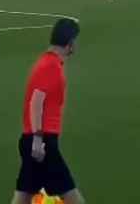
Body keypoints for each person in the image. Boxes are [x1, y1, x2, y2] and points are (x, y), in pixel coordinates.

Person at [11, 19, 86, 204]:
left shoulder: (48, 62)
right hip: (43, 143)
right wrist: (38, 139)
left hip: (35, 141)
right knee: (72, 196)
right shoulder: (50, 66)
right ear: (69, 42)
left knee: (23, 195)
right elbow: (36, 102)